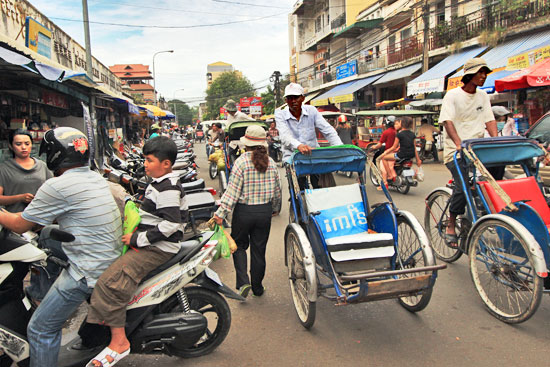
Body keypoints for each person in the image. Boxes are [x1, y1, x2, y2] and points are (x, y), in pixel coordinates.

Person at [0, 127, 122, 367]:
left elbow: (18, 224)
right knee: (48, 244)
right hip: (107, 257)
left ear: (55, 154)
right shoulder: (95, 177)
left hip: (87, 270)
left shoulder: (57, 185)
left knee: (40, 328)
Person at [87, 136, 187, 367]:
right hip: (152, 243)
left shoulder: (168, 187)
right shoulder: (158, 182)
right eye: (145, 160)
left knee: (109, 283)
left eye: (150, 161)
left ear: (166, 164)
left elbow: (171, 224)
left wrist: (138, 238)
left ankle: (119, 342)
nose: (146, 164)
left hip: (158, 248)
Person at [213, 125, 281, 298]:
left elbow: (232, 192)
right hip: (264, 212)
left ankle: (243, 282)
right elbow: (277, 191)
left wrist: (220, 214)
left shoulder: (241, 162)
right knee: (259, 250)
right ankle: (258, 287)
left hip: (244, 213)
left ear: (246, 143)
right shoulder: (271, 163)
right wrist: (274, 209)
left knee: (240, 246)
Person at [439, 58, 497, 248]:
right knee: (463, 183)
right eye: (480, 73)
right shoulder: (452, 95)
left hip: (477, 149)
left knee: (496, 176)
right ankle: (451, 222)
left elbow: (489, 120)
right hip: (455, 152)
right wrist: (458, 144)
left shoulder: (483, 96)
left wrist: (496, 141)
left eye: (485, 73)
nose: (483, 77)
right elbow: (448, 122)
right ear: (469, 75)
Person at [275, 82, 342, 188]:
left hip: (313, 155)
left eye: (296, 97)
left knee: (322, 188)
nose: (293, 101)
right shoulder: (280, 114)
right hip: (293, 157)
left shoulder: (312, 111)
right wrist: (299, 146)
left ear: (303, 98)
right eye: (289, 98)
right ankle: (296, 202)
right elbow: (284, 136)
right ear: (286, 100)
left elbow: (328, 130)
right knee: (297, 191)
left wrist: (340, 148)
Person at [0, 129, 52, 213]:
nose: (24, 147)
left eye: (27, 144)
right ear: (11, 146)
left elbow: (53, 191)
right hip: (14, 219)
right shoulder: (4, 169)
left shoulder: (42, 166)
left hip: (41, 218)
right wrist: (19, 198)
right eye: (18, 144)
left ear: (32, 145)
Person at [379, 117, 422, 190]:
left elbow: (393, 147)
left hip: (401, 155)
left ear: (402, 124)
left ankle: (390, 175)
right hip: (411, 155)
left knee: (384, 158)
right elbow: (414, 147)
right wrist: (418, 160)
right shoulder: (412, 134)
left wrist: (385, 152)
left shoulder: (399, 134)